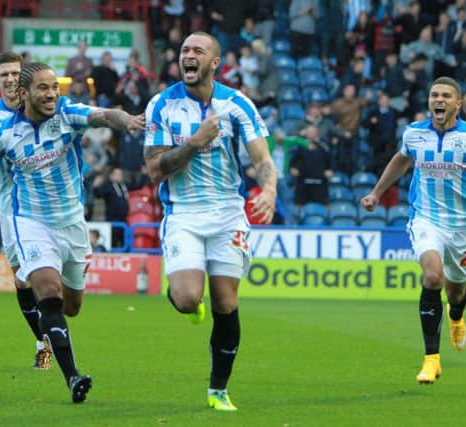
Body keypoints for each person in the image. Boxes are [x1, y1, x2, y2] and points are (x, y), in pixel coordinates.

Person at [0, 62, 144, 403]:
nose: (52, 94)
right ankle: (72, 377)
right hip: (29, 221)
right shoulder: (2, 133)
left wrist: (128, 121)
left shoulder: (67, 115)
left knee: (72, 305)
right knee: (47, 290)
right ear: (24, 94)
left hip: (72, 223)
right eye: (43, 88)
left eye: (55, 87)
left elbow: (104, 115)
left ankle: (50, 335)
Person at [144, 32, 277, 411]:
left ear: (214, 62)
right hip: (183, 214)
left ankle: (218, 390)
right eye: (185, 50)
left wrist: (269, 190)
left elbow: (263, 160)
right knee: (187, 300)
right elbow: (154, 168)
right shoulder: (161, 105)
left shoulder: (237, 105)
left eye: (197, 51)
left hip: (227, 214)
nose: (188, 55)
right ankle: (187, 300)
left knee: (226, 301)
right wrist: (194, 143)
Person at [360, 76, 466, 384]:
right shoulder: (413, 133)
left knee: (456, 291)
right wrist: (376, 192)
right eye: (434, 95)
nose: (438, 100)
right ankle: (431, 359)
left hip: (462, 228)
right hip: (425, 219)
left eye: (445, 96)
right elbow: (401, 161)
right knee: (432, 276)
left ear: (458, 103)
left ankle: (456, 316)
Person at [0, 52, 56, 369]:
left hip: (50, 205)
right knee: (23, 281)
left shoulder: (41, 106)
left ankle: (52, 340)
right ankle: (45, 344)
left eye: (15, 73)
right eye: (3, 74)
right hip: (12, 209)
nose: (10, 79)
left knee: (57, 288)